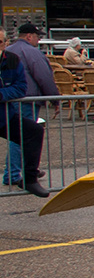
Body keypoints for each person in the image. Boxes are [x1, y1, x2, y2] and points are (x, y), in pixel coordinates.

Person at [1, 29, 47, 197]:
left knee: (33, 131)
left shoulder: (12, 60)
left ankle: (29, 179)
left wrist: (2, 94)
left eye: (0, 42)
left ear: (5, 43)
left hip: (4, 115)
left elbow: (21, 87)